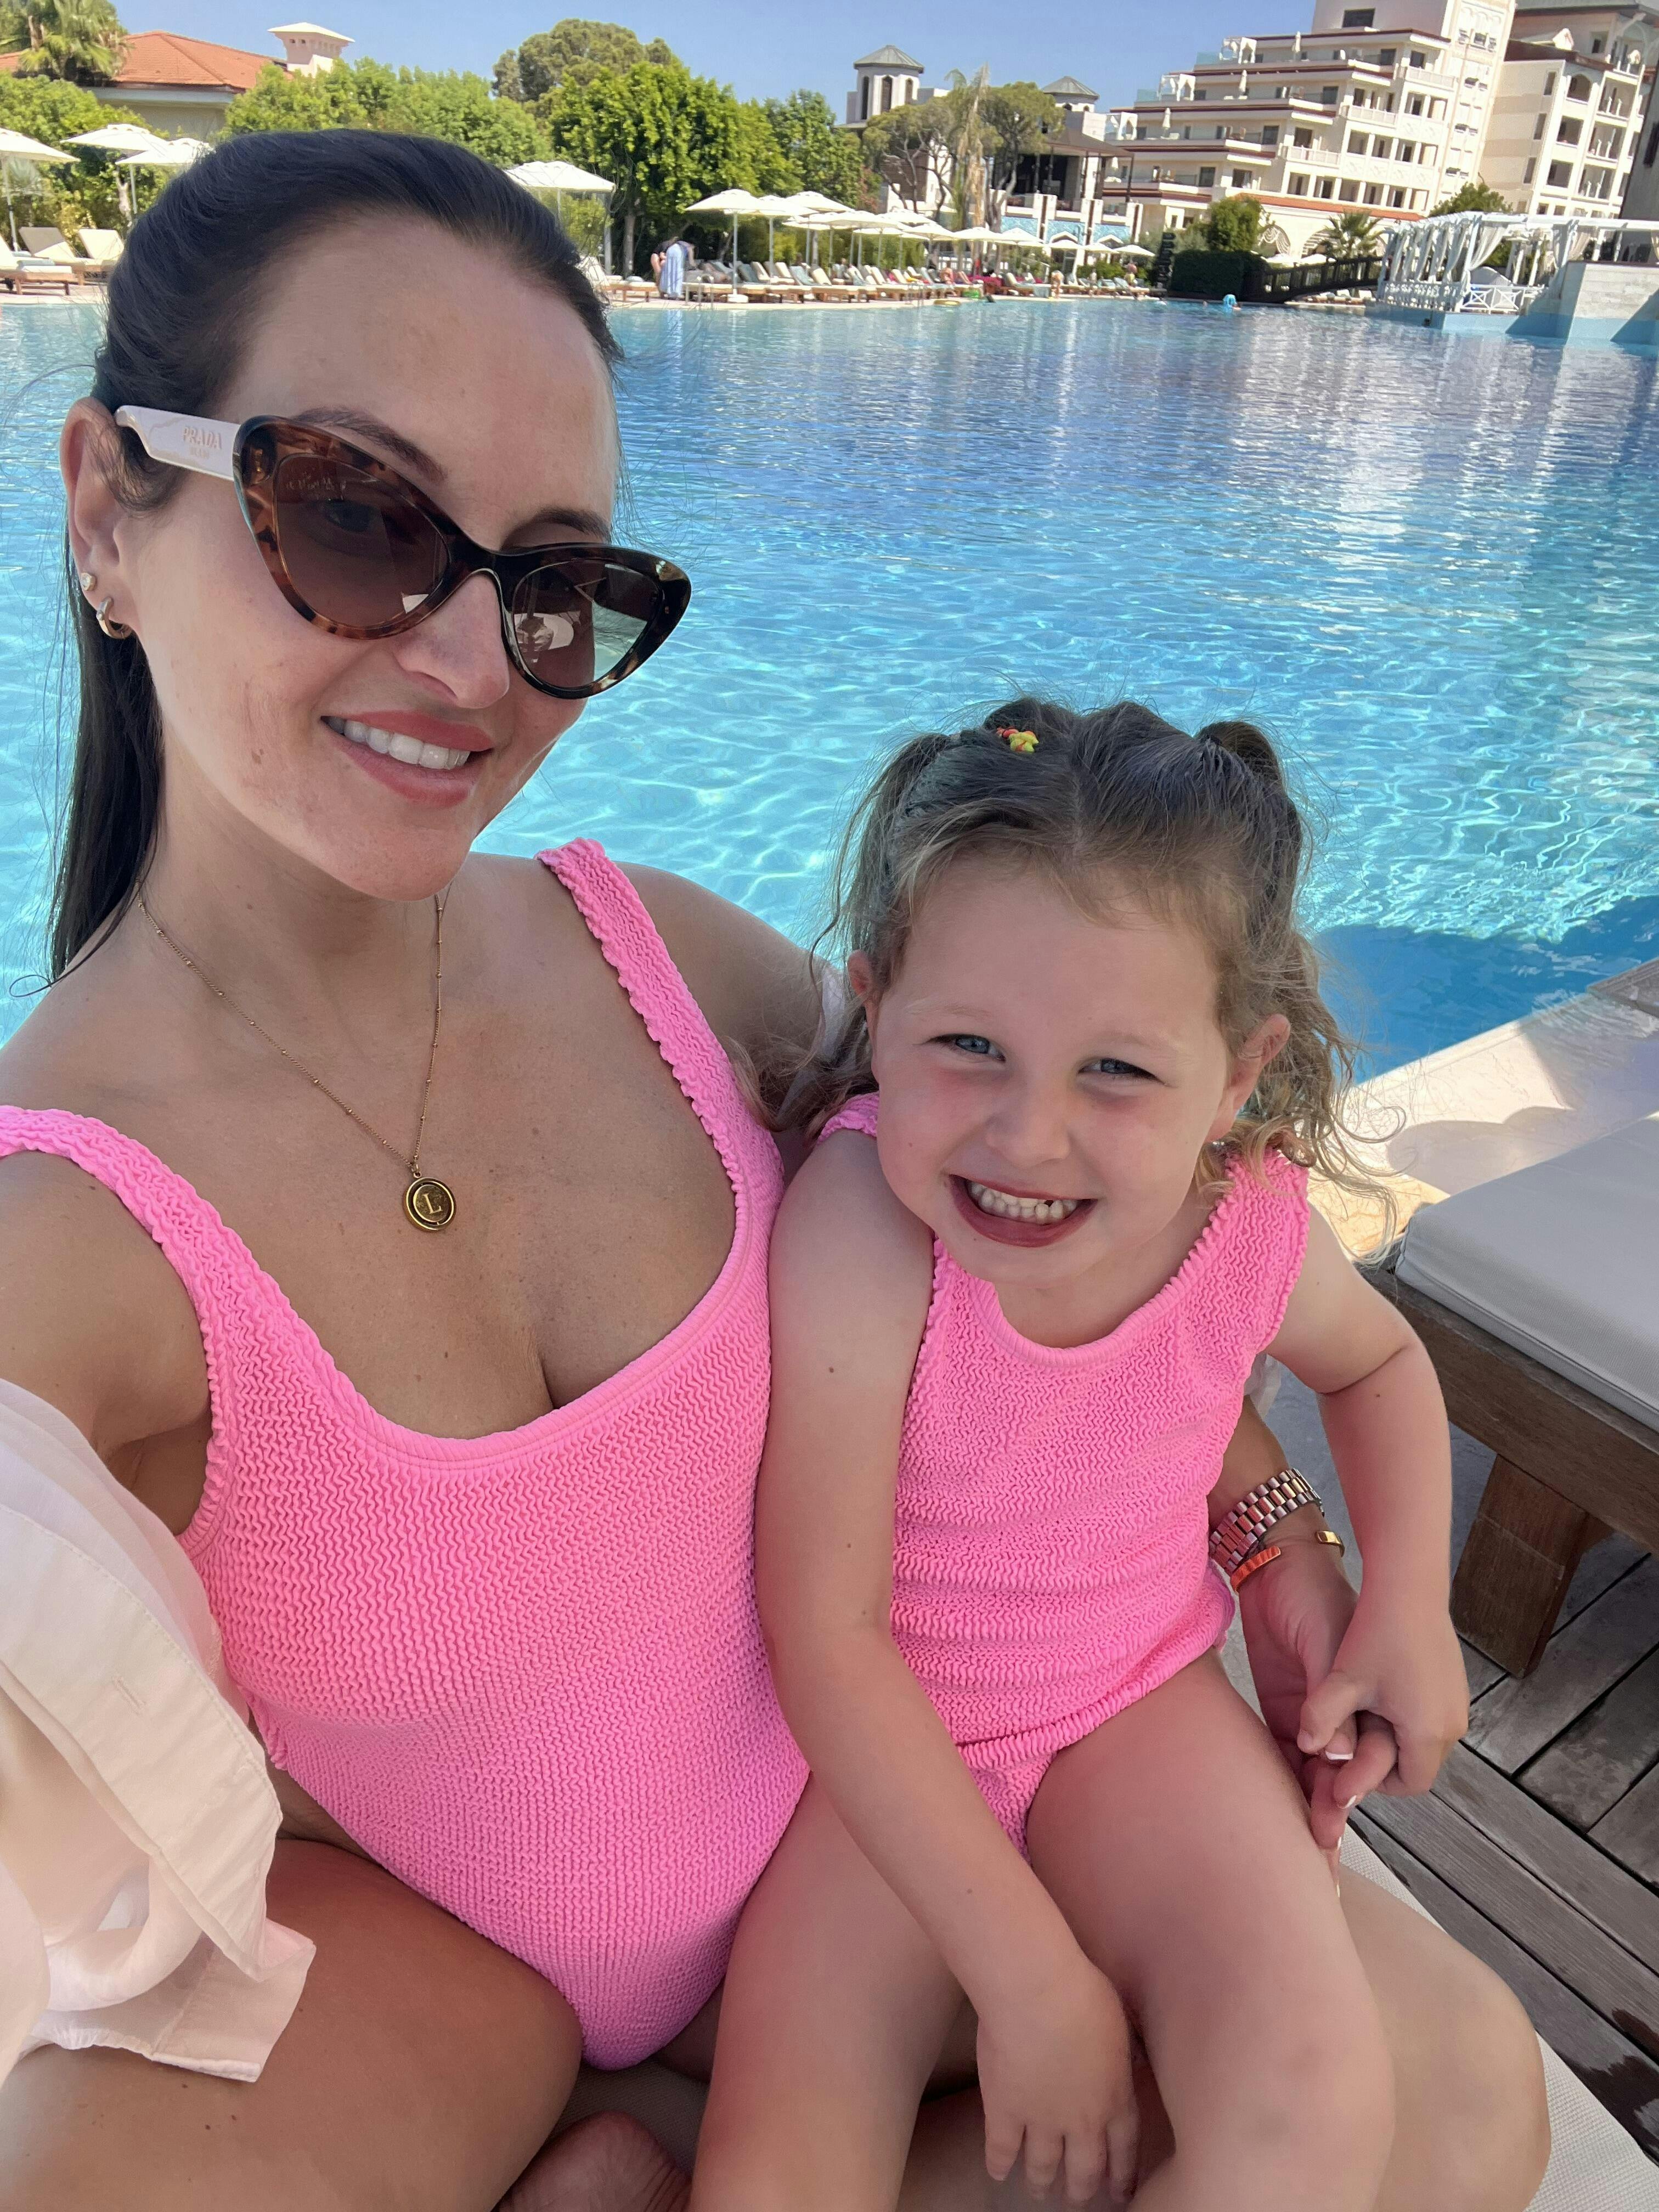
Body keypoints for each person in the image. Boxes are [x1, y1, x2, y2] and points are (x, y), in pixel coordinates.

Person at [0, 133, 1545, 2212]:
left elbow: (1060, 1219)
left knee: (1460, 2104)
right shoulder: (67, 1217)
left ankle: (645, 2159)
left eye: (555, 582)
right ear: (110, 508)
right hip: (467, 1967)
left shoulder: (666, 961)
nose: (472, 663)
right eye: (359, 516)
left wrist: (1271, 1537)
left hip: (905, 1817)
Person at [691, 703, 1548, 2212]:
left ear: (1240, 1072)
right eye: (968, 1047)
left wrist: (1406, 1605)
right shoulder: (864, 1232)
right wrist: (1033, 1985)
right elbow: (828, 1632)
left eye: (1117, 1073)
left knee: (1314, 2106)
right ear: (875, 1006)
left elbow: (1380, 1364)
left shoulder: (1248, 1222)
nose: (1030, 1137)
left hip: (1137, 1709)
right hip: (882, 1762)